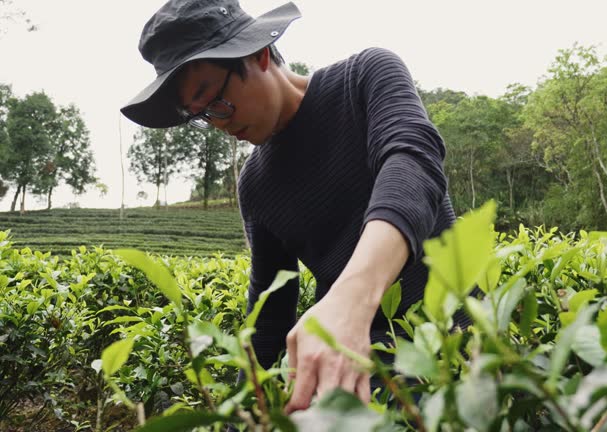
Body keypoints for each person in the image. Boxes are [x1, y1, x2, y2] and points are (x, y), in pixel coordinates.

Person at [121, 0, 467, 413]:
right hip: (360, 376)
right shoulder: (255, 185)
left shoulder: (364, 78)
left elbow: (413, 163)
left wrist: (350, 301)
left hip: (459, 344)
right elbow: (269, 318)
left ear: (257, 54)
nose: (220, 123)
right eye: (201, 116)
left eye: (214, 99)